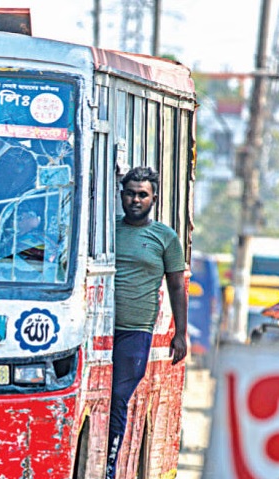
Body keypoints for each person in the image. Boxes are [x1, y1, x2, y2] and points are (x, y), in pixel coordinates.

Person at [106, 166, 187, 479]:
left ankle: (110, 468)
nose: (135, 200)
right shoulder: (106, 230)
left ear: (153, 198)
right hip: (98, 329)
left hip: (136, 331)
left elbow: (177, 286)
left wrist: (180, 334)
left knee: (118, 398)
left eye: (142, 195)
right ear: (121, 195)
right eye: (130, 193)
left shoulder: (165, 238)